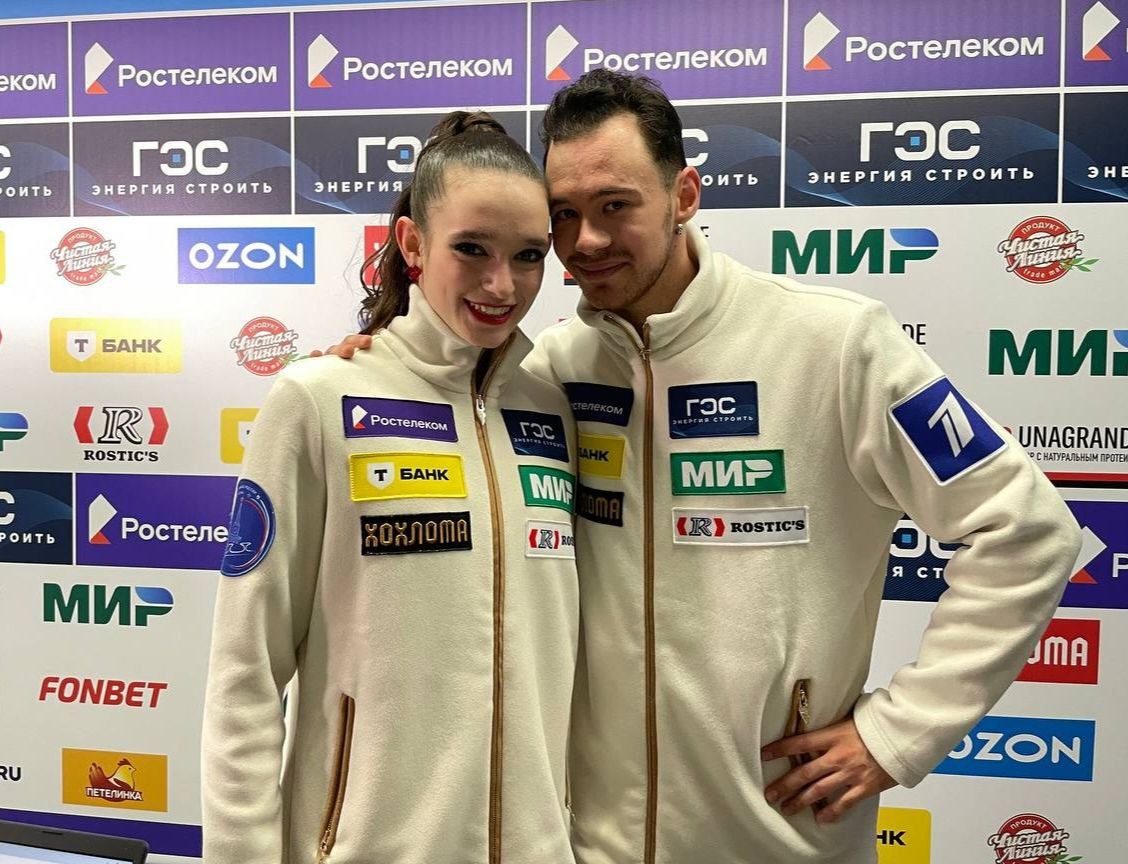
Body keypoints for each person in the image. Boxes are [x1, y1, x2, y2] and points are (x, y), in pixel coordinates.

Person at [322, 71, 1082, 864]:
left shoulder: (836, 345)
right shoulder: (554, 372)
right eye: (564, 215)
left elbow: (1028, 532)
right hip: (594, 848)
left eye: (616, 205)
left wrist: (901, 733)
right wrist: (378, 368)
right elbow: (456, 437)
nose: (587, 241)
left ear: (683, 194)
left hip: (783, 839)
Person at [202, 112, 580, 864]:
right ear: (411, 244)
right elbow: (246, 671)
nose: (502, 284)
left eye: (528, 256)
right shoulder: (317, 399)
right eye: (471, 248)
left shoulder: (556, 404)